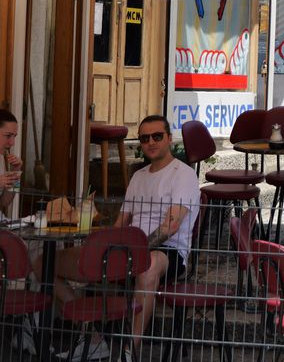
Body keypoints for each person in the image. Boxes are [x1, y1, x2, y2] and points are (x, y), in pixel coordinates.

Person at [54, 115, 200, 361]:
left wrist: (134, 252)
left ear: (169, 139)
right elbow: (120, 223)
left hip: (166, 250)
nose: (151, 142)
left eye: (157, 136)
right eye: (145, 138)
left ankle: (129, 351)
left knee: (149, 267)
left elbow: (170, 226)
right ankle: (92, 335)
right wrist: (103, 249)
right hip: (125, 249)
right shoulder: (138, 176)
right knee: (45, 261)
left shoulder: (183, 174)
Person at [0, 108, 23, 213]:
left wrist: (15, 173)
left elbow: (5, 202)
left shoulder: (0, 158)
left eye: (14, 136)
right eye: (8, 136)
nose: (12, 143)